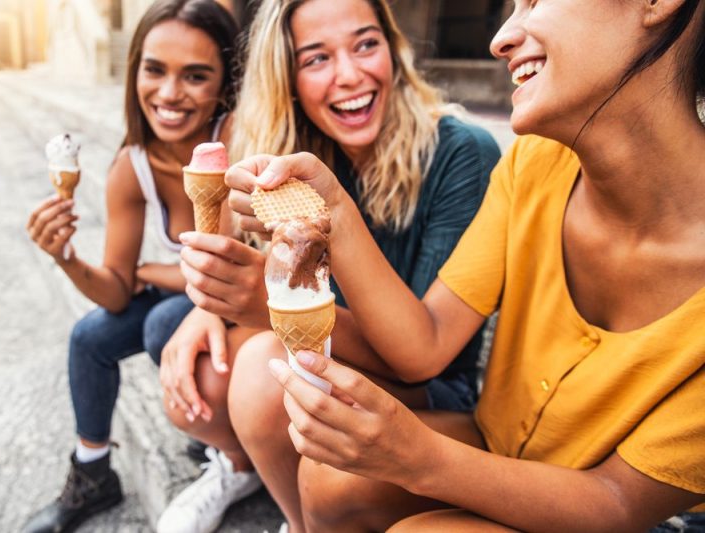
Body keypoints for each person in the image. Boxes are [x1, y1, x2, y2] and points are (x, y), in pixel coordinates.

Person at [224, 0, 705, 530]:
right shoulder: (532, 164)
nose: (501, 38)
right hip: (497, 438)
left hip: (644, 514)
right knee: (329, 478)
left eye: (536, 1)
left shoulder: (465, 151)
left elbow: (618, 502)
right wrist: (334, 208)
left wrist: (418, 457)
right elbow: (425, 343)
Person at [155, 0, 501, 531]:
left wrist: (260, 306)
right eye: (316, 58)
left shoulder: (461, 153)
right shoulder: (295, 155)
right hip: (340, 358)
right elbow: (263, 275)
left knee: (258, 371)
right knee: (198, 365)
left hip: (433, 389)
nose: (350, 75)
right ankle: (271, 490)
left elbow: (422, 360)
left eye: (366, 44)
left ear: (394, 50)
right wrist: (211, 308)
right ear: (288, 79)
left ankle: (309, 515)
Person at [22, 1, 238, 531]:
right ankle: (92, 471)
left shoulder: (240, 141)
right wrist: (65, 256)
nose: (168, 94)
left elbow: (226, 267)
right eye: (155, 69)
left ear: (225, 84)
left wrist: (154, 272)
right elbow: (117, 292)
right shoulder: (131, 166)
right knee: (89, 337)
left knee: (166, 321)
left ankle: (216, 434)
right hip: (190, 295)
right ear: (134, 69)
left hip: (237, 304)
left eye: (195, 75)